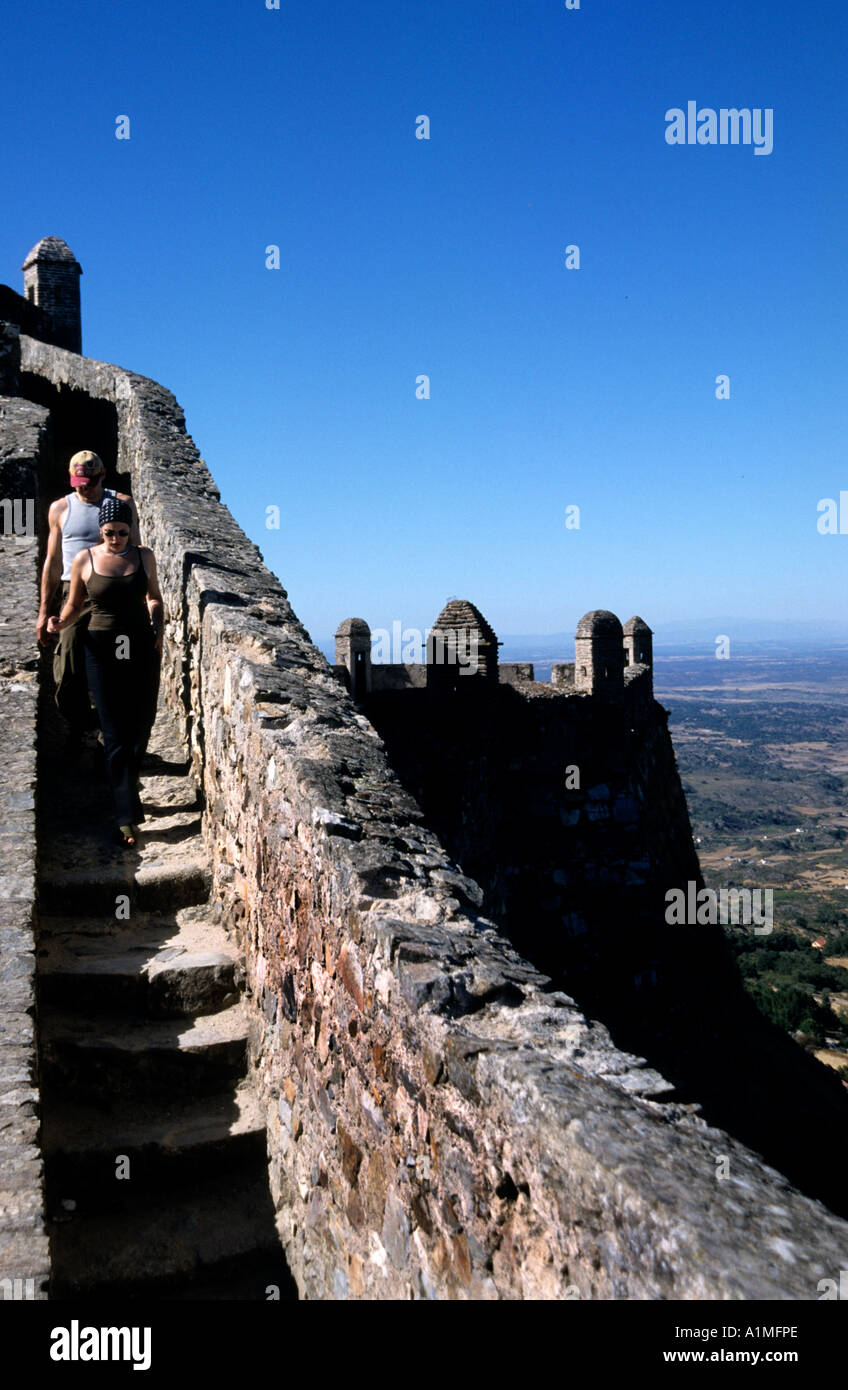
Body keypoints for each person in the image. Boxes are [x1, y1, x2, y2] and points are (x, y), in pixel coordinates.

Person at [47, 498, 163, 847]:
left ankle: (126, 796)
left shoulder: (144, 556)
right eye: (110, 533)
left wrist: (158, 624)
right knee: (114, 733)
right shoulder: (85, 560)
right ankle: (126, 816)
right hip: (102, 649)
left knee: (141, 724)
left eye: (123, 533)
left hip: (141, 647)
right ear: (100, 531)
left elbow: (154, 597)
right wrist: (58, 622)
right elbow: (73, 606)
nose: (116, 539)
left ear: (131, 530)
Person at [36, 450, 140, 742]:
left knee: (117, 667)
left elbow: (136, 553)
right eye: (78, 481)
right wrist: (44, 611)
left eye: (89, 481)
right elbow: (53, 561)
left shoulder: (121, 504)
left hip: (113, 591)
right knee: (66, 673)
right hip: (73, 594)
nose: (83, 486)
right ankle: (88, 728)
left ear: (103, 475)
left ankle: (111, 739)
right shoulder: (60, 508)